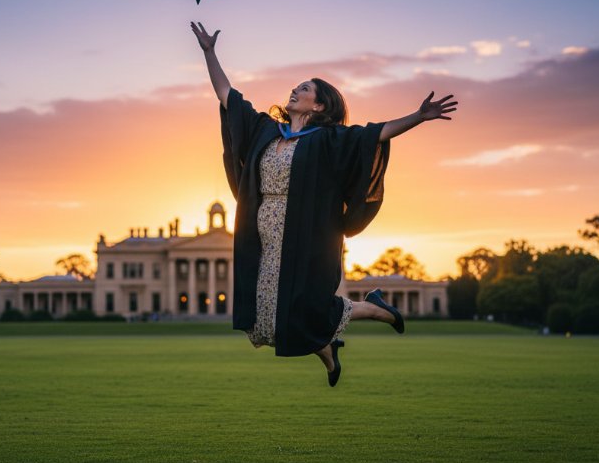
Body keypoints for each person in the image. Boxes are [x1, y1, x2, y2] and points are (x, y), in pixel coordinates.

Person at [191, 22, 458, 386]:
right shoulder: (267, 131)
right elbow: (227, 96)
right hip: (264, 232)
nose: (294, 90)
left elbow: (373, 135)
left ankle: (372, 310)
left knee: (306, 308)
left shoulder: (328, 139)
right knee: (268, 322)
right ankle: (330, 351)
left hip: (308, 232)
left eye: (304, 89)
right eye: (296, 86)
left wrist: (418, 117)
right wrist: (209, 52)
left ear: (318, 104)